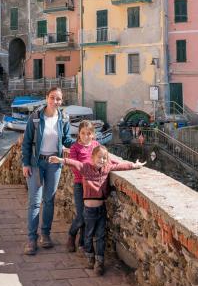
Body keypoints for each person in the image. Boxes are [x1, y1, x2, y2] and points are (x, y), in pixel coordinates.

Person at [49, 146, 145, 275]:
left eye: (104, 157)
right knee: (88, 235)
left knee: (101, 236)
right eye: (99, 157)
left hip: (101, 209)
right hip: (89, 211)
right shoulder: (86, 168)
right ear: (92, 157)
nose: (102, 159)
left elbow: (120, 166)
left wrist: (134, 165)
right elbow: (75, 162)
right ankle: (90, 257)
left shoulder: (106, 168)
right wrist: (60, 160)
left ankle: (99, 262)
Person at [22, 86, 75, 255]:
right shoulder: (36, 118)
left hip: (54, 163)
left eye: (58, 99)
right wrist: (25, 163)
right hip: (36, 164)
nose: (55, 101)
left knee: (49, 200)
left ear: (61, 101)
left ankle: (45, 235)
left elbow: (66, 139)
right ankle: (31, 238)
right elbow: (26, 142)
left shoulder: (64, 118)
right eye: (52, 98)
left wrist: (83, 144)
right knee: (34, 202)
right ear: (47, 98)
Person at [66, 121, 99, 254]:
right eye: (83, 133)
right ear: (79, 134)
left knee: (89, 214)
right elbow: (75, 167)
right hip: (80, 185)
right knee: (82, 216)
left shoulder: (96, 146)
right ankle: (71, 235)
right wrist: (90, 172)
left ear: (93, 135)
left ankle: (83, 242)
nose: (86, 136)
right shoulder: (75, 148)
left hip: (92, 187)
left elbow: (105, 159)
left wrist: (129, 164)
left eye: (89, 133)